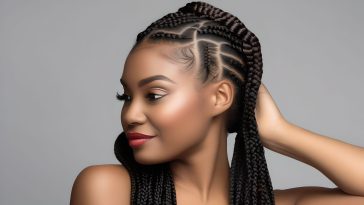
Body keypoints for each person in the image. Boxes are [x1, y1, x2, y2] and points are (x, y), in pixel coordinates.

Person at [69, 1, 364, 204]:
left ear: (219, 97)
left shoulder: (277, 202)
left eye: (154, 95)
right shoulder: (108, 188)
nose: (130, 114)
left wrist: (280, 133)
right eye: (127, 97)